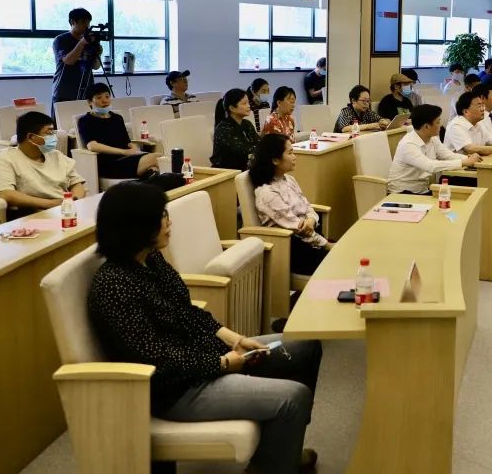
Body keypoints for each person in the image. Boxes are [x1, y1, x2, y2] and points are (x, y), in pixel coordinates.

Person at [87, 182, 323, 474]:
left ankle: (285, 445)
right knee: (293, 398)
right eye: (161, 216)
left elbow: (187, 311)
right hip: (178, 389)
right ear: (136, 226)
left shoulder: (150, 259)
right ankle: (272, 464)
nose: (169, 222)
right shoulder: (114, 286)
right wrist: (223, 363)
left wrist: (235, 339)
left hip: (203, 358)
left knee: (306, 346)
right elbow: (157, 361)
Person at [251, 134, 331, 275]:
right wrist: (327, 245)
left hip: (312, 239)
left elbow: (307, 206)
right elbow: (298, 229)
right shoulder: (267, 193)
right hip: (293, 249)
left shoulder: (289, 180)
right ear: (275, 160)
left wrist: (311, 220)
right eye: (290, 153)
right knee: (343, 261)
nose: (295, 157)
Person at [0, 111, 86, 213]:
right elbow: (5, 194)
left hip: (64, 210)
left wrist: (73, 201)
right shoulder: (5, 159)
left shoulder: (56, 155)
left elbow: (76, 183)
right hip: (33, 215)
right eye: (49, 133)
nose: (54, 137)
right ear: (31, 137)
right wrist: (51, 204)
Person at [388, 104, 479, 194]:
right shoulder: (408, 144)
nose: (441, 125)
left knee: (465, 183)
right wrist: (463, 162)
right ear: (426, 126)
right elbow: (430, 166)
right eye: (438, 122)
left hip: (422, 190)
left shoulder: (432, 138)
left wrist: (468, 158)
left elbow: (447, 155)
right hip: (403, 193)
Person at [77, 84, 160, 179]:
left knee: (154, 168)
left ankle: (144, 183)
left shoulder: (117, 118)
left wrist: (134, 149)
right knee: (157, 158)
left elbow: (127, 142)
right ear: (89, 102)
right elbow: (92, 146)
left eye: (107, 96)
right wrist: (124, 152)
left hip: (126, 159)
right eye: (99, 98)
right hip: (109, 164)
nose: (104, 100)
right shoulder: (85, 120)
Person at [52, 8, 104, 106]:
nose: (87, 26)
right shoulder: (61, 40)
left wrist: (98, 54)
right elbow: (68, 61)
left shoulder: (90, 41)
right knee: (63, 116)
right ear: (73, 22)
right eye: (83, 22)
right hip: (65, 92)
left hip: (87, 91)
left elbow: (96, 66)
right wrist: (82, 43)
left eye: (88, 23)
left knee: (87, 116)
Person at [446, 91, 492, 157]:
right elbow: (470, 149)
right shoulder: (456, 126)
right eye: (479, 106)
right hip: (457, 167)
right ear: (466, 111)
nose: (483, 109)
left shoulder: (479, 124)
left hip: (476, 163)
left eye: (483, 105)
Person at [211, 88, 260, 170]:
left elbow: (259, 143)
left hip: (245, 166)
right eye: (244, 103)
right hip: (228, 170)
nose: (249, 106)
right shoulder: (223, 128)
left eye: (248, 102)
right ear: (232, 108)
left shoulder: (247, 124)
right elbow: (240, 152)